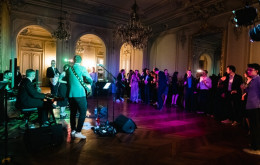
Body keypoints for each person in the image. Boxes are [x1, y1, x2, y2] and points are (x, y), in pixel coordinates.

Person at [66, 55, 93, 139]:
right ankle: (78, 132)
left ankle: (73, 130)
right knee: (83, 112)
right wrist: (90, 82)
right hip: (80, 94)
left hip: (71, 94)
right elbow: (89, 79)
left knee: (73, 113)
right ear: (80, 61)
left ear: (73, 60)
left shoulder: (69, 69)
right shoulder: (82, 68)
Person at [243, 63, 260, 155]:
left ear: (256, 71)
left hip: (255, 106)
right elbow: (250, 92)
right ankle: (254, 145)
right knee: (253, 127)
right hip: (251, 106)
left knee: (255, 127)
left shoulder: (258, 79)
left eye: (250, 70)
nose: (248, 71)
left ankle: (257, 148)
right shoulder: (253, 80)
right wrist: (245, 89)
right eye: (248, 70)